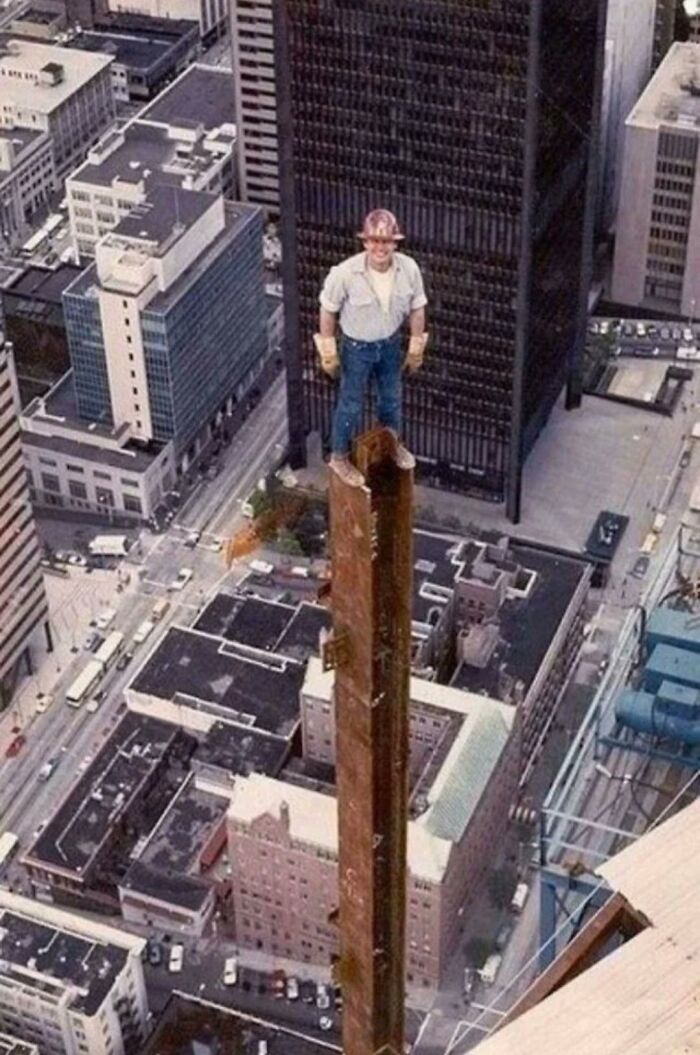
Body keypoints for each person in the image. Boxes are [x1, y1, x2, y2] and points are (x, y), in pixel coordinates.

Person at [314, 209, 428, 485]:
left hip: (389, 345)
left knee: (391, 399)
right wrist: (328, 350)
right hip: (356, 349)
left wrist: (416, 345)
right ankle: (339, 457)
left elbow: (417, 308)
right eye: (375, 241)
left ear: (395, 243)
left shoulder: (408, 268)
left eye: (386, 241)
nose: (380, 247)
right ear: (365, 242)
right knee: (350, 405)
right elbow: (328, 311)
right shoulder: (346, 273)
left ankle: (391, 445)